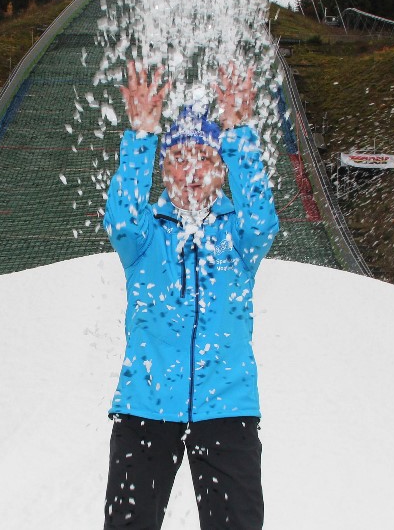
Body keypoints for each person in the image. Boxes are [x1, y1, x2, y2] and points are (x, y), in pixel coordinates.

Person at [102, 59, 280, 529]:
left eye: (205, 157)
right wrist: (141, 137)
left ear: (222, 169)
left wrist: (237, 130)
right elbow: (119, 218)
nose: (193, 171)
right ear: (164, 171)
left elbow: (264, 220)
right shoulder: (146, 237)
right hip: (146, 402)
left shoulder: (236, 237)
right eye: (180, 158)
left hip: (227, 404)